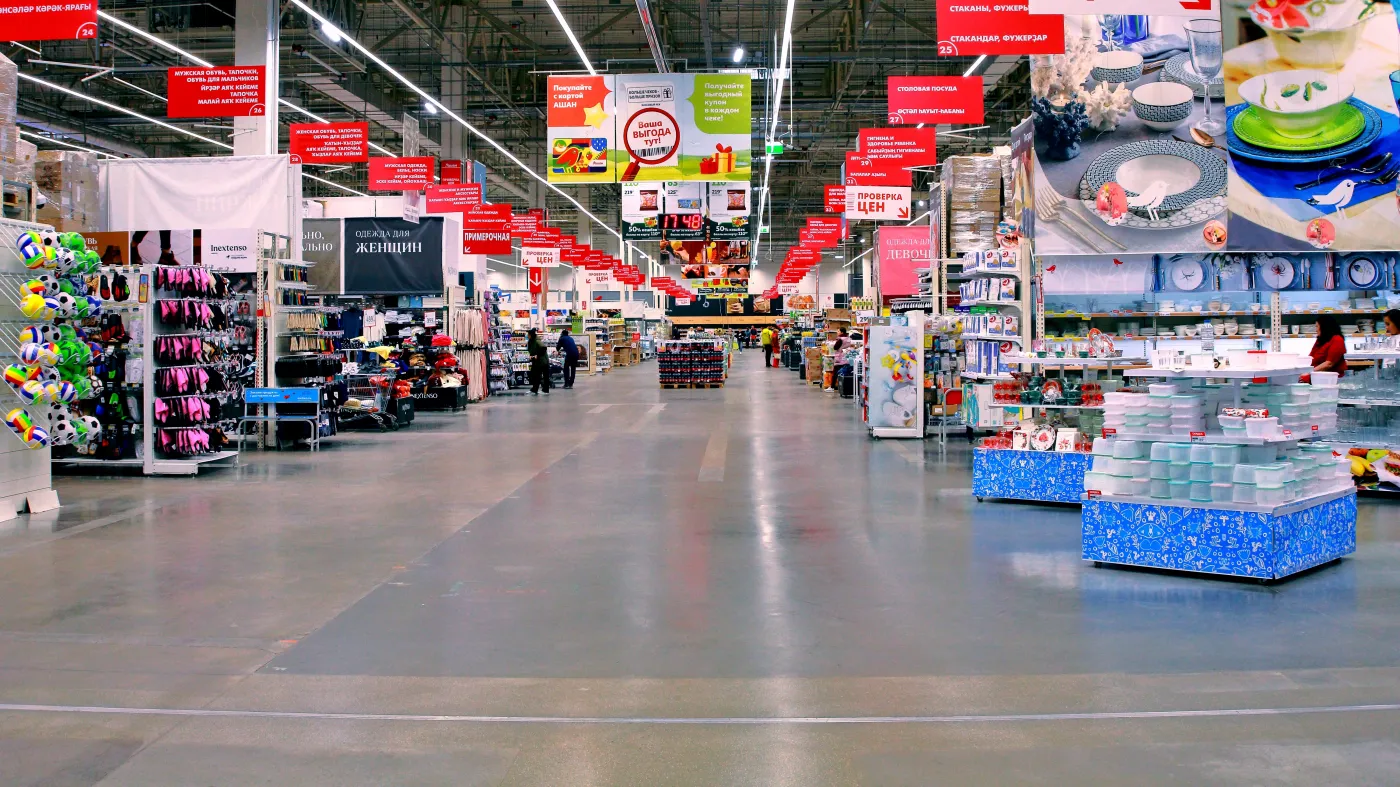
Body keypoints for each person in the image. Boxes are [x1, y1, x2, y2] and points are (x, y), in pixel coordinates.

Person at [527, 328, 551, 394]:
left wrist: (537, 355)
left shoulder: (537, 341)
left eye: (528, 335)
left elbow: (543, 348)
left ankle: (544, 390)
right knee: (536, 376)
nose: (527, 336)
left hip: (542, 362)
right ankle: (535, 389)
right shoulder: (532, 341)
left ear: (531, 335)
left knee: (539, 376)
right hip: (538, 361)